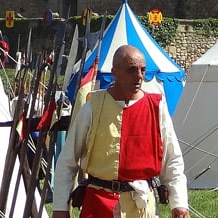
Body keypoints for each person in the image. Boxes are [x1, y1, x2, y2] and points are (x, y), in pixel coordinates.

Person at [52, 45, 189, 218]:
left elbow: (172, 159)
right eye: (131, 70)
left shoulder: (156, 108)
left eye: (142, 70)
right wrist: (60, 208)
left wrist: (179, 203)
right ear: (115, 72)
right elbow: (67, 161)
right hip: (97, 205)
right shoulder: (92, 108)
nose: (139, 76)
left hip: (140, 206)